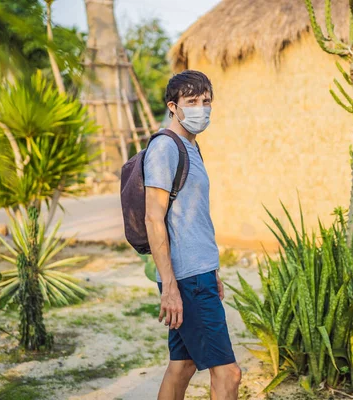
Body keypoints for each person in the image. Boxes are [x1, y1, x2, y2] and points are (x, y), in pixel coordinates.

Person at [144, 70, 241, 400]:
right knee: (229, 373)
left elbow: (193, 219)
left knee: (182, 365)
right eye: (192, 102)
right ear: (173, 106)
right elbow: (153, 217)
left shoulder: (190, 147)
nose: (202, 108)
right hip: (186, 280)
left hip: (199, 274)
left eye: (206, 101)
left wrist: (213, 269)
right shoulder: (165, 148)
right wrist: (170, 286)